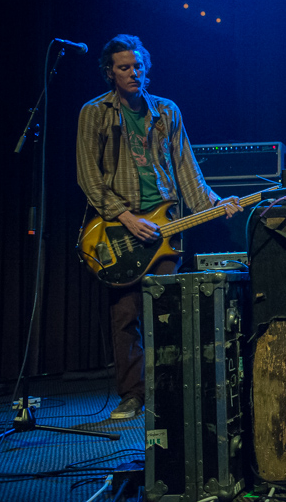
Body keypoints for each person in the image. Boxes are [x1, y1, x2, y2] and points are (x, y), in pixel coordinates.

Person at [77, 34, 241, 420]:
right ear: (110, 73)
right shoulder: (95, 112)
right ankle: (133, 394)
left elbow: (187, 170)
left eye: (137, 66)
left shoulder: (167, 111)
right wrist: (126, 217)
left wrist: (215, 205)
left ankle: (170, 394)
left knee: (167, 311)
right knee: (125, 314)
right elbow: (88, 175)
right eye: (124, 68)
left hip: (165, 227)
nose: (133, 73)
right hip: (119, 227)